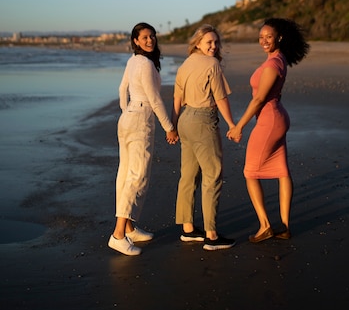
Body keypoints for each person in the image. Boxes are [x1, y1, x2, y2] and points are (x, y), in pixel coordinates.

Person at [227, 18, 309, 242]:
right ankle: (284, 226)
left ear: (279, 38)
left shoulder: (273, 64)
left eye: (268, 36)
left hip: (269, 120)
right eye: (261, 36)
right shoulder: (278, 59)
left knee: (250, 172)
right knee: (281, 171)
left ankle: (265, 225)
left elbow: (259, 99)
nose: (263, 40)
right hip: (277, 117)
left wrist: (238, 126)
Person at [108, 22, 178, 256]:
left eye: (152, 36)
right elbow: (155, 100)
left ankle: (129, 227)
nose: (150, 40)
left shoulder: (132, 61)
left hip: (128, 117)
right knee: (137, 176)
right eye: (145, 37)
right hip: (140, 119)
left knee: (125, 173)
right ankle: (118, 235)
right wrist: (169, 127)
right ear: (136, 41)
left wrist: (125, 111)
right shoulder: (146, 64)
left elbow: (122, 90)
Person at [172, 24, 236, 251]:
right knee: (213, 174)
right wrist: (231, 124)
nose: (214, 46)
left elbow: (177, 97)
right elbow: (220, 99)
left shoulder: (185, 64)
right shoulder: (212, 64)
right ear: (197, 42)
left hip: (185, 120)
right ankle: (211, 235)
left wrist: (173, 125)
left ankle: (188, 229)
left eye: (216, 42)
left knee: (188, 176)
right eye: (209, 42)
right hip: (202, 120)